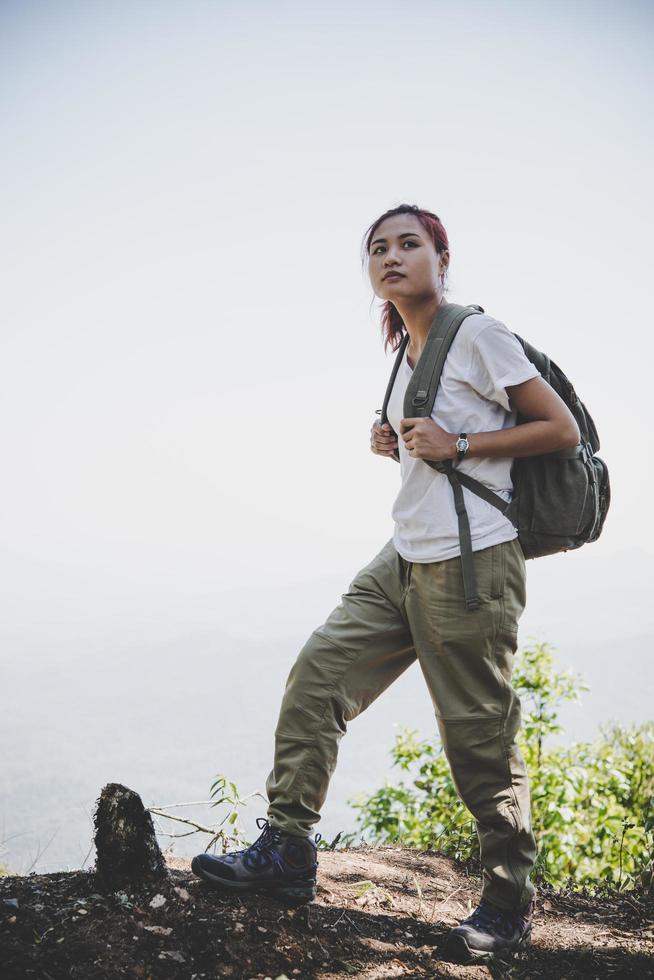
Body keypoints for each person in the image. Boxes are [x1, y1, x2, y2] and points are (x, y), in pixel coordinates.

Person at [191, 204, 580, 964]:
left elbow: (558, 427)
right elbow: (437, 450)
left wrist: (459, 441)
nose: (392, 256)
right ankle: (288, 852)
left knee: (478, 735)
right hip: (404, 553)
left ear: (442, 257)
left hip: (471, 563)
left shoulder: (476, 334)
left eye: (409, 243)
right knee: (318, 676)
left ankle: (507, 899)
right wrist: (395, 445)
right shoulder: (408, 348)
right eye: (378, 248)